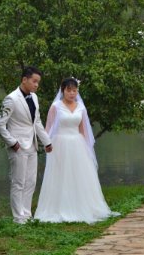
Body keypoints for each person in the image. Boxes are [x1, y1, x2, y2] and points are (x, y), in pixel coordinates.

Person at [34, 77, 119, 223]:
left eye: (74, 90)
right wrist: (46, 143)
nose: (72, 93)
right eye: (69, 90)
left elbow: (83, 129)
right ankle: (59, 207)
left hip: (77, 144)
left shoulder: (81, 107)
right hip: (60, 143)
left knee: (79, 175)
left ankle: (82, 206)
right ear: (63, 91)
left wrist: (87, 150)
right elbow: (48, 127)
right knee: (61, 175)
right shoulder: (56, 106)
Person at [0, 66, 52, 224]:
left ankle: (27, 215)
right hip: (18, 146)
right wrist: (12, 142)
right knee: (18, 182)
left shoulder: (34, 98)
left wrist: (46, 141)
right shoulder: (11, 99)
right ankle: (18, 218)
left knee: (31, 181)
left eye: (38, 82)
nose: (36, 85)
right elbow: (0, 123)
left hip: (33, 144)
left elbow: (37, 122)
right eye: (34, 81)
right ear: (24, 80)